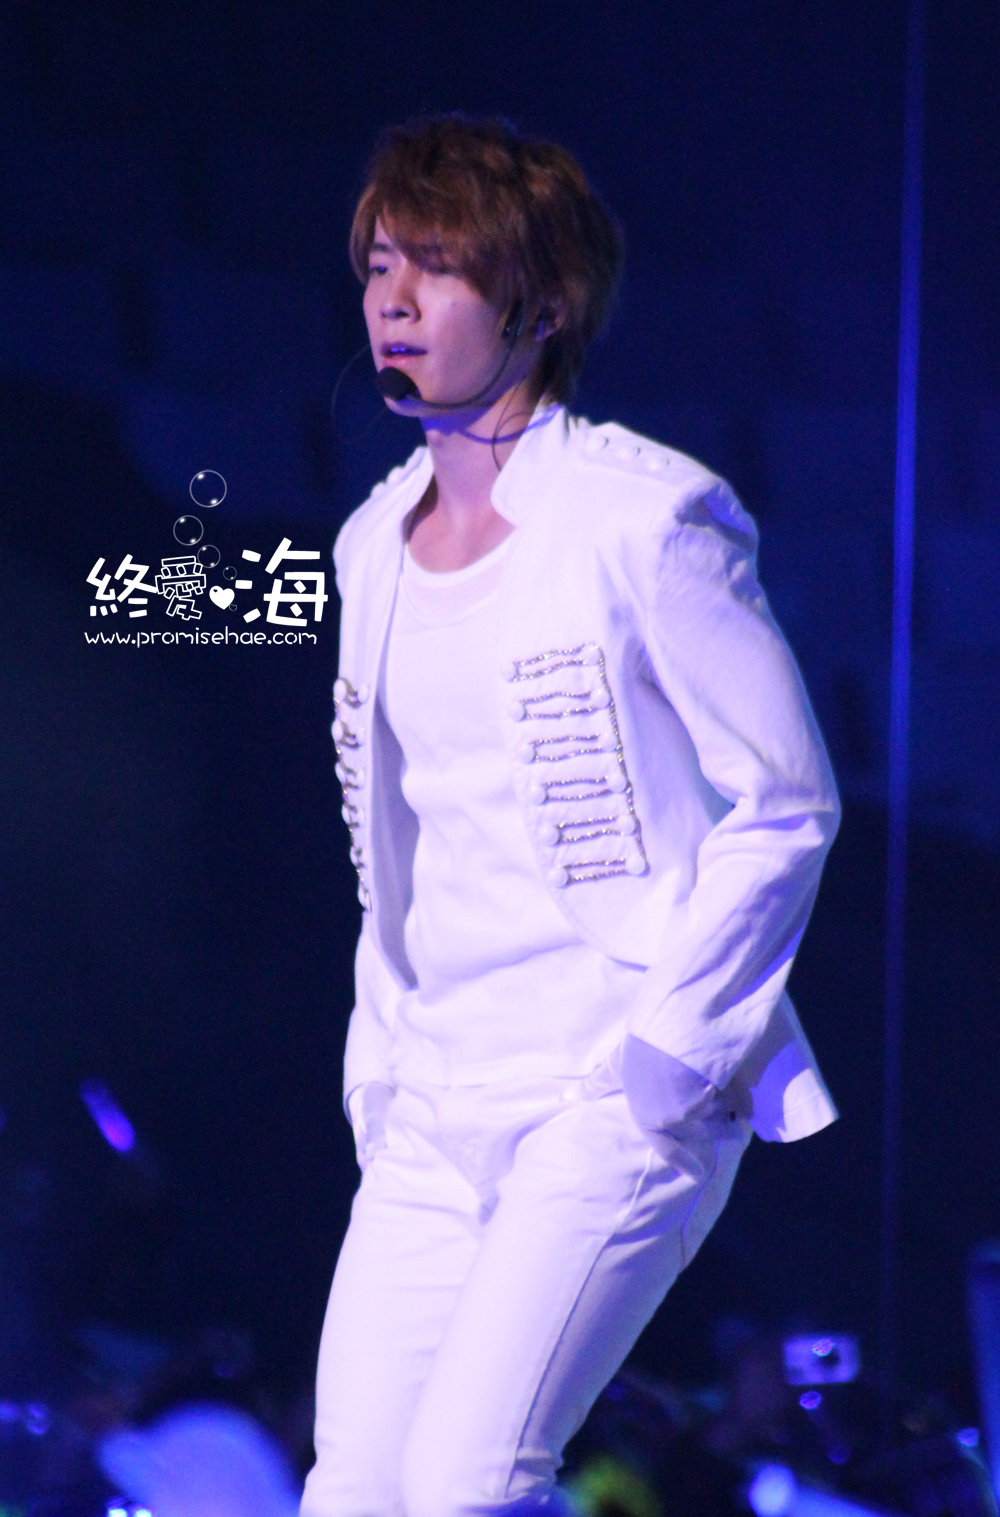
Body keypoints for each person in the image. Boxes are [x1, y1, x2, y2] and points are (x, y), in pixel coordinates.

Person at [301, 115, 840, 1517]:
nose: (394, 298)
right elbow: (399, 848)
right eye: (379, 265)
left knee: (469, 1483)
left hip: (604, 1085)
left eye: (437, 266)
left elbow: (788, 800)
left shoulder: (644, 520)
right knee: (355, 1493)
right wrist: (382, 1075)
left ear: (540, 304)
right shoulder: (370, 549)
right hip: (432, 1097)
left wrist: (667, 1055)